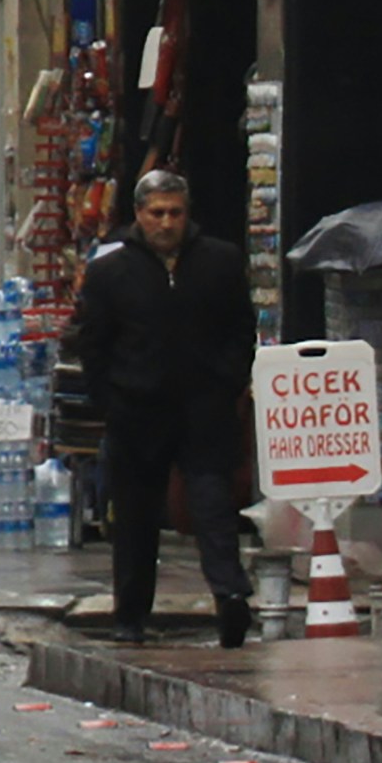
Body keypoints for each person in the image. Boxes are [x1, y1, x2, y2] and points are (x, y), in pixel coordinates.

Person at [68, 169, 259, 647]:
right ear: (139, 215)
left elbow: (241, 329)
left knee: (213, 508)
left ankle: (231, 599)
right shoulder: (111, 272)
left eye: (175, 212)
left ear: (187, 214)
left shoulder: (219, 262)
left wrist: (227, 381)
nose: (166, 222)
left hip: (204, 410)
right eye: (157, 213)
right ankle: (130, 616)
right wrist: (110, 401)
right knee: (135, 517)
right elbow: (93, 344)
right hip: (137, 412)